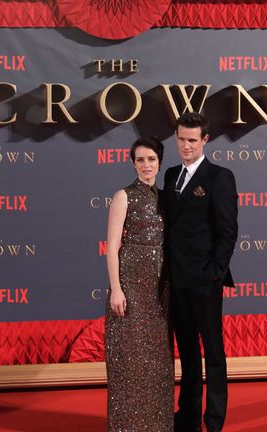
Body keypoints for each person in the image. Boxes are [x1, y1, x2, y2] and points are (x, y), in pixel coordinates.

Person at [161, 112, 238, 432]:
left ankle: (214, 420)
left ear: (205, 140)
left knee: (214, 353)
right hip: (176, 280)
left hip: (205, 281)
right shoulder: (169, 175)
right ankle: (189, 416)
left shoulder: (220, 177)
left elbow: (228, 230)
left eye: (192, 139)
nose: (186, 145)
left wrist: (215, 273)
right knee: (188, 352)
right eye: (181, 139)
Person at [105, 137, 174, 431]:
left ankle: (158, 425)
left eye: (151, 159)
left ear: (159, 162)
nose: (146, 165)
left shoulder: (168, 196)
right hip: (131, 283)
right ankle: (127, 425)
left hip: (162, 286)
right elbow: (111, 246)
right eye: (141, 160)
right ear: (133, 163)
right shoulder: (124, 195)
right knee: (130, 357)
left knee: (158, 359)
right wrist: (117, 288)